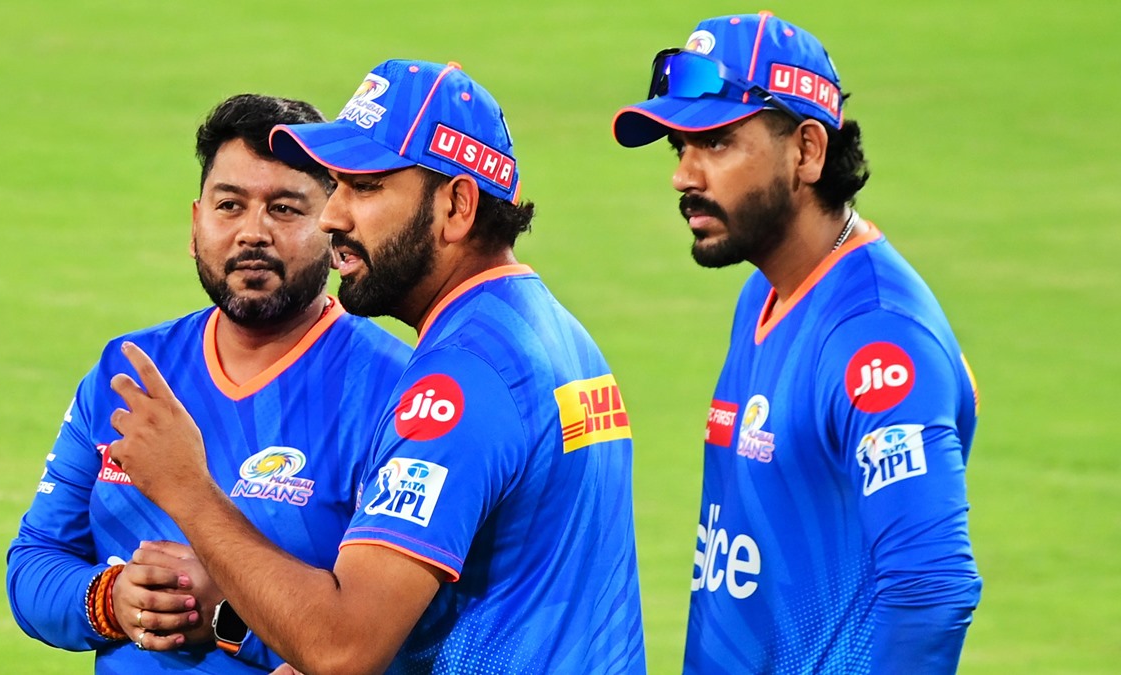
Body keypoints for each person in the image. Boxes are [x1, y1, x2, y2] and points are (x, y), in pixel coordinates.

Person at [105, 59, 646, 674]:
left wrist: (189, 490)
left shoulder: (460, 379)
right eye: (336, 185)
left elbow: (344, 648)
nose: (332, 216)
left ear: (457, 205)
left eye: (366, 187)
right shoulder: (551, 332)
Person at [612, 11, 981, 674]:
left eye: (716, 143)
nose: (684, 176)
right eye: (679, 147)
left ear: (807, 150)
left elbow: (931, 589)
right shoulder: (766, 292)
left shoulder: (877, 340)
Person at [5, 93, 413, 673]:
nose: (253, 233)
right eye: (229, 206)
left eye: (284, 209)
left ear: (332, 229)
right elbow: (35, 562)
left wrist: (226, 616)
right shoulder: (129, 370)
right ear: (195, 225)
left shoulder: (396, 394)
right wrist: (112, 600)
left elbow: (399, 639)